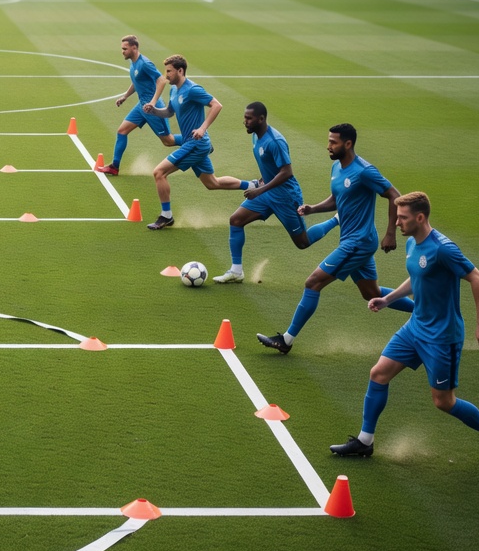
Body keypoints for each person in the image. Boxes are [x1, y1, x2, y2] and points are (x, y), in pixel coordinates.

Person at [331, 192, 479, 466]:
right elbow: (417, 277)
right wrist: (387, 299)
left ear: (420, 217)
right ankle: (365, 441)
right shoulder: (413, 243)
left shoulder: (443, 249)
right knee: (378, 373)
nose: (397, 223)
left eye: (402, 218)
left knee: (444, 402)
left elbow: (478, 278)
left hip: (442, 337)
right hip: (415, 329)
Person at [257, 123, 413, 354]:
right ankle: (426, 309)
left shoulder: (364, 171)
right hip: (351, 240)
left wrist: (390, 232)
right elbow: (336, 199)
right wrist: (312, 209)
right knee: (371, 294)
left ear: (348, 144)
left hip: (358, 242)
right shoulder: (336, 168)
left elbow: (394, 195)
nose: (328, 146)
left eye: (333, 142)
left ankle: (286, 340)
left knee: (313, 282)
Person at [212, 103, 338, 284]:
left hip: (286, 197)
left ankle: (336, 219)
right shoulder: (256, 136)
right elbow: (270, 166)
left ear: (261, 119)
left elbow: (287, 172)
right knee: (236, 220)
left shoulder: (275, 141)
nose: (245, 122)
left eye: (249, 118)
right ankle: (236, 271)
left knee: (302, 242)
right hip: (268, 192)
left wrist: (259, 190)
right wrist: (264, 181)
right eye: (245, 117)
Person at [140, 54, 248, 230]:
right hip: (194, 143)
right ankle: (254, 185)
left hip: (195, 143)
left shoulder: (192, 89)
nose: (166, 75)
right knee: (212, 183)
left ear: (180, 71)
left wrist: (203, 128)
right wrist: (153, 111)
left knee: (159, 172)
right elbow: (169, 112)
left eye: (169, 71)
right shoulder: (174, 90)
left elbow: (217, 105)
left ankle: (166, 216)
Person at [96, 35, 175, 177]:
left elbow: (162, 81)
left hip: (153, 109)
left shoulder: (145, 63)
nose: (122, 51)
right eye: (122, 49)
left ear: (134, 48)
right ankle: (115, 166)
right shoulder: (133, 63)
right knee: (122, 131)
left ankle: (199, 143)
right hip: (141, 106)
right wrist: (125, 96)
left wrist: (152, 102)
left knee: (168, 141)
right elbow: (136, 81)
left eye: (125, 49)